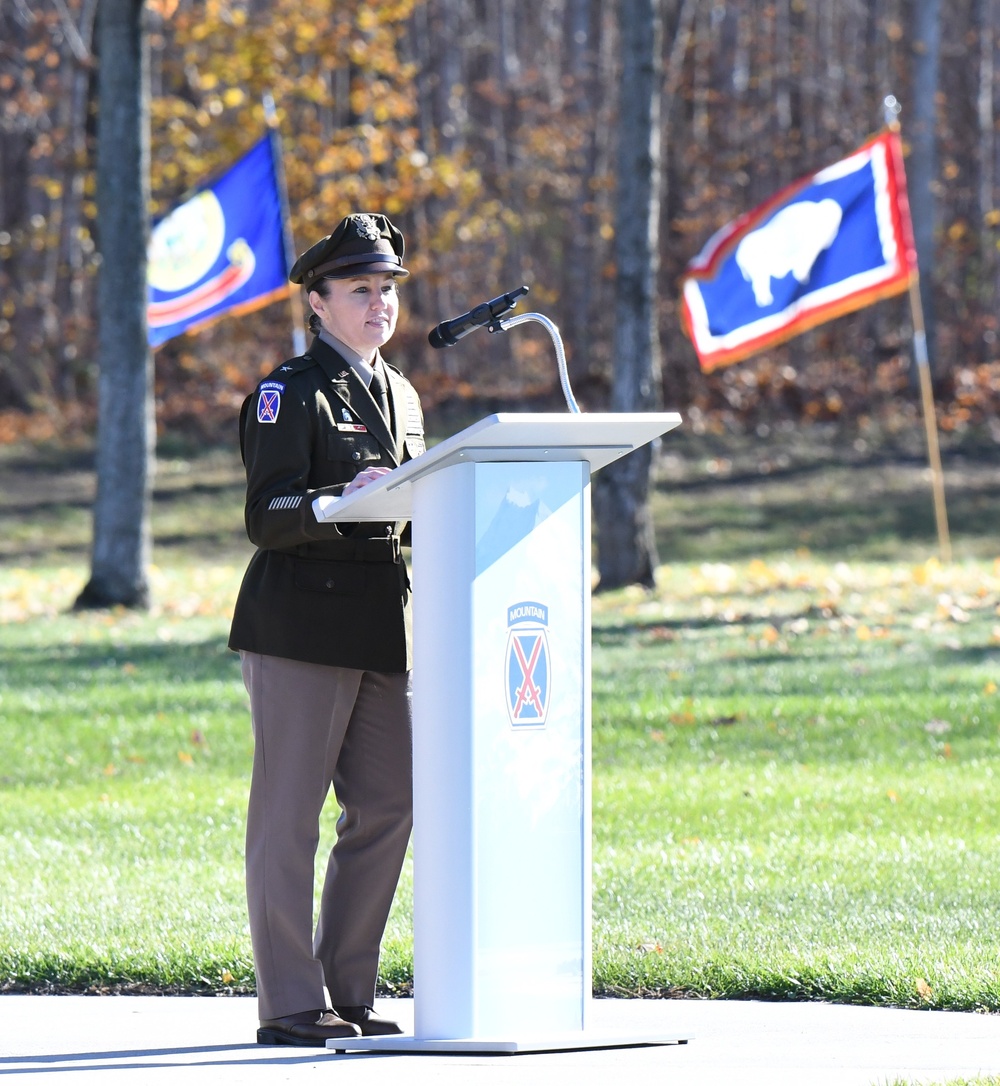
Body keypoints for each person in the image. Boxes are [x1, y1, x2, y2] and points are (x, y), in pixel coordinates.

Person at [228, 213, 426, 1046]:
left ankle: (347, 988)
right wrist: (336, 502)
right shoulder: (290, 392)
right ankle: (289, 1003)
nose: (378, 304)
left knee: (390, 806)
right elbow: (267, 514)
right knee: (289, 816)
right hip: (301, 627)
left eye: (386, 290)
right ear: (317, 303)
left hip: (384, 630)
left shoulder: (404, 392)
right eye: (359, 290)